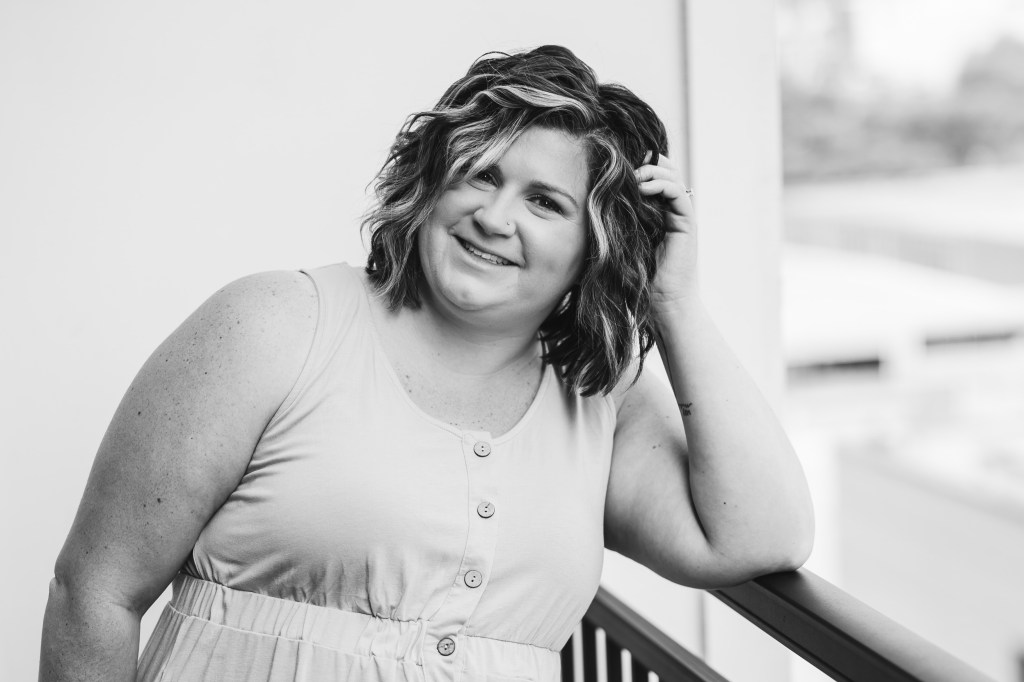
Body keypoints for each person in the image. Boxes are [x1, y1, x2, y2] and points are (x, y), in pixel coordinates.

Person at [39, 45, 814, 682]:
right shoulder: (273, 325)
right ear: (434, 180)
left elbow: (761, 535)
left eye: (545, 202)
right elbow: (95, 592)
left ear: (596, 244)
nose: (495, 217)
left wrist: (673, 303)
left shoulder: (598, 398)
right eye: (482, 174)